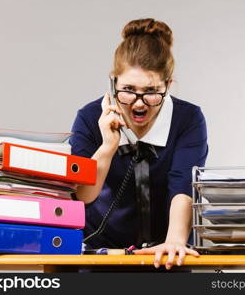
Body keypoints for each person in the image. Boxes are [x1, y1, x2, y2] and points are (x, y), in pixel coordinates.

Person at [70, 18, 208, 270]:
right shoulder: (89, 118)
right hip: (101, 257)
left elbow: (183, 186)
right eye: (128, 89)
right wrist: (108, 147)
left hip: (166, 256)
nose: (139, 103)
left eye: (152, 91)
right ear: (113, 82)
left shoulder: (188, 119)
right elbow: (83, 195)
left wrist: (175, 241)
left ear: (168, 86)